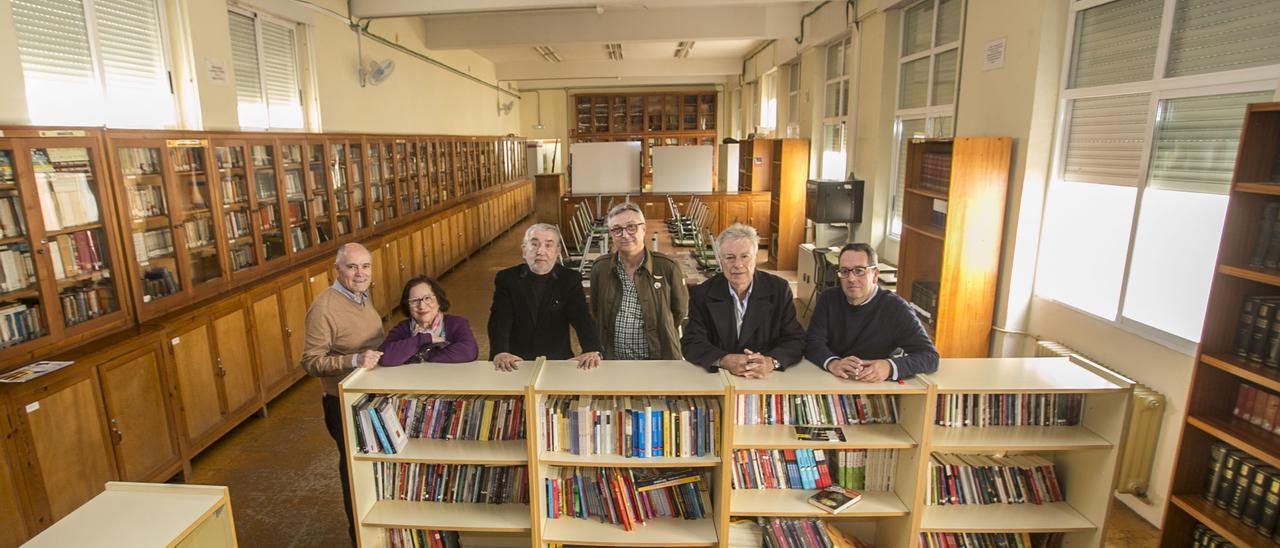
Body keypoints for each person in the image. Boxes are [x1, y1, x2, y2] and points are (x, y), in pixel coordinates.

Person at [300, 243, 384, 543]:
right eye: (352, 267)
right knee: (354, 472)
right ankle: (359, 537)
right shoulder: (324, 308)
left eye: (365, 266)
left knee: (374, 469)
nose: (360, 273)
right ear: (337, 270)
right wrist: (353, 360)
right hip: (343, 403)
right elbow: (310, 361)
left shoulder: (361, 296)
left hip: (370, 398)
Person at [681, 224, 804, 377]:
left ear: (756, 257)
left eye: (745, 256)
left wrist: (771, 362)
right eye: (730, 257)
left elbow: (795, 339)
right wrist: (724, 360)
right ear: (720, 260)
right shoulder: (702, 293)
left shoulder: (779, 289)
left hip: (767, 378)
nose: (738, 265)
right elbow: (691, 342)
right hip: (721, 377)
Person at [804, 243, 938, 382]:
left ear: (875, 274)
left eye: (859, 270)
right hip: (833, 380)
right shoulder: (828, 299)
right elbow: (812, 342)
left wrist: (890, 367)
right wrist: (833, 363)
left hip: (876, 385)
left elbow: (930, 357)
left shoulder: (896, 308)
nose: (851, 278)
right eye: (844, 271)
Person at [488, 223, 602, 371]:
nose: (540, 251)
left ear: (557, 251)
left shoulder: (569, 279)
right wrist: (500, 352)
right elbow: (499, 319)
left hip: (557, 362)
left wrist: (592, 350)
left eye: (548, 245)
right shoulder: (507, 278)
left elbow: (582, 319)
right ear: (524, 250)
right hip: (515, 362)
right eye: (534, 244)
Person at [590, 202, 688, 360]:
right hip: (613, 361)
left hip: (658, 360)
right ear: (611, 234)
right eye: (617, 229)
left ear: (643, 229)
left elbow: (679, 312)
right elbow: (596, 311)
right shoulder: (600, 268)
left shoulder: (667, 267)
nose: (625, 234)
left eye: (631, 227)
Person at [378, 275, 479, 365]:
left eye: (427, 298)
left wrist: (421, 354)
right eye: (414, 301)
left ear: (439, 300)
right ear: (407, 306)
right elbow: (383, 357)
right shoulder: (403, 328)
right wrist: (424, 339)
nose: (422, 306)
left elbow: (469, 351)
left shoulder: (457, 323)